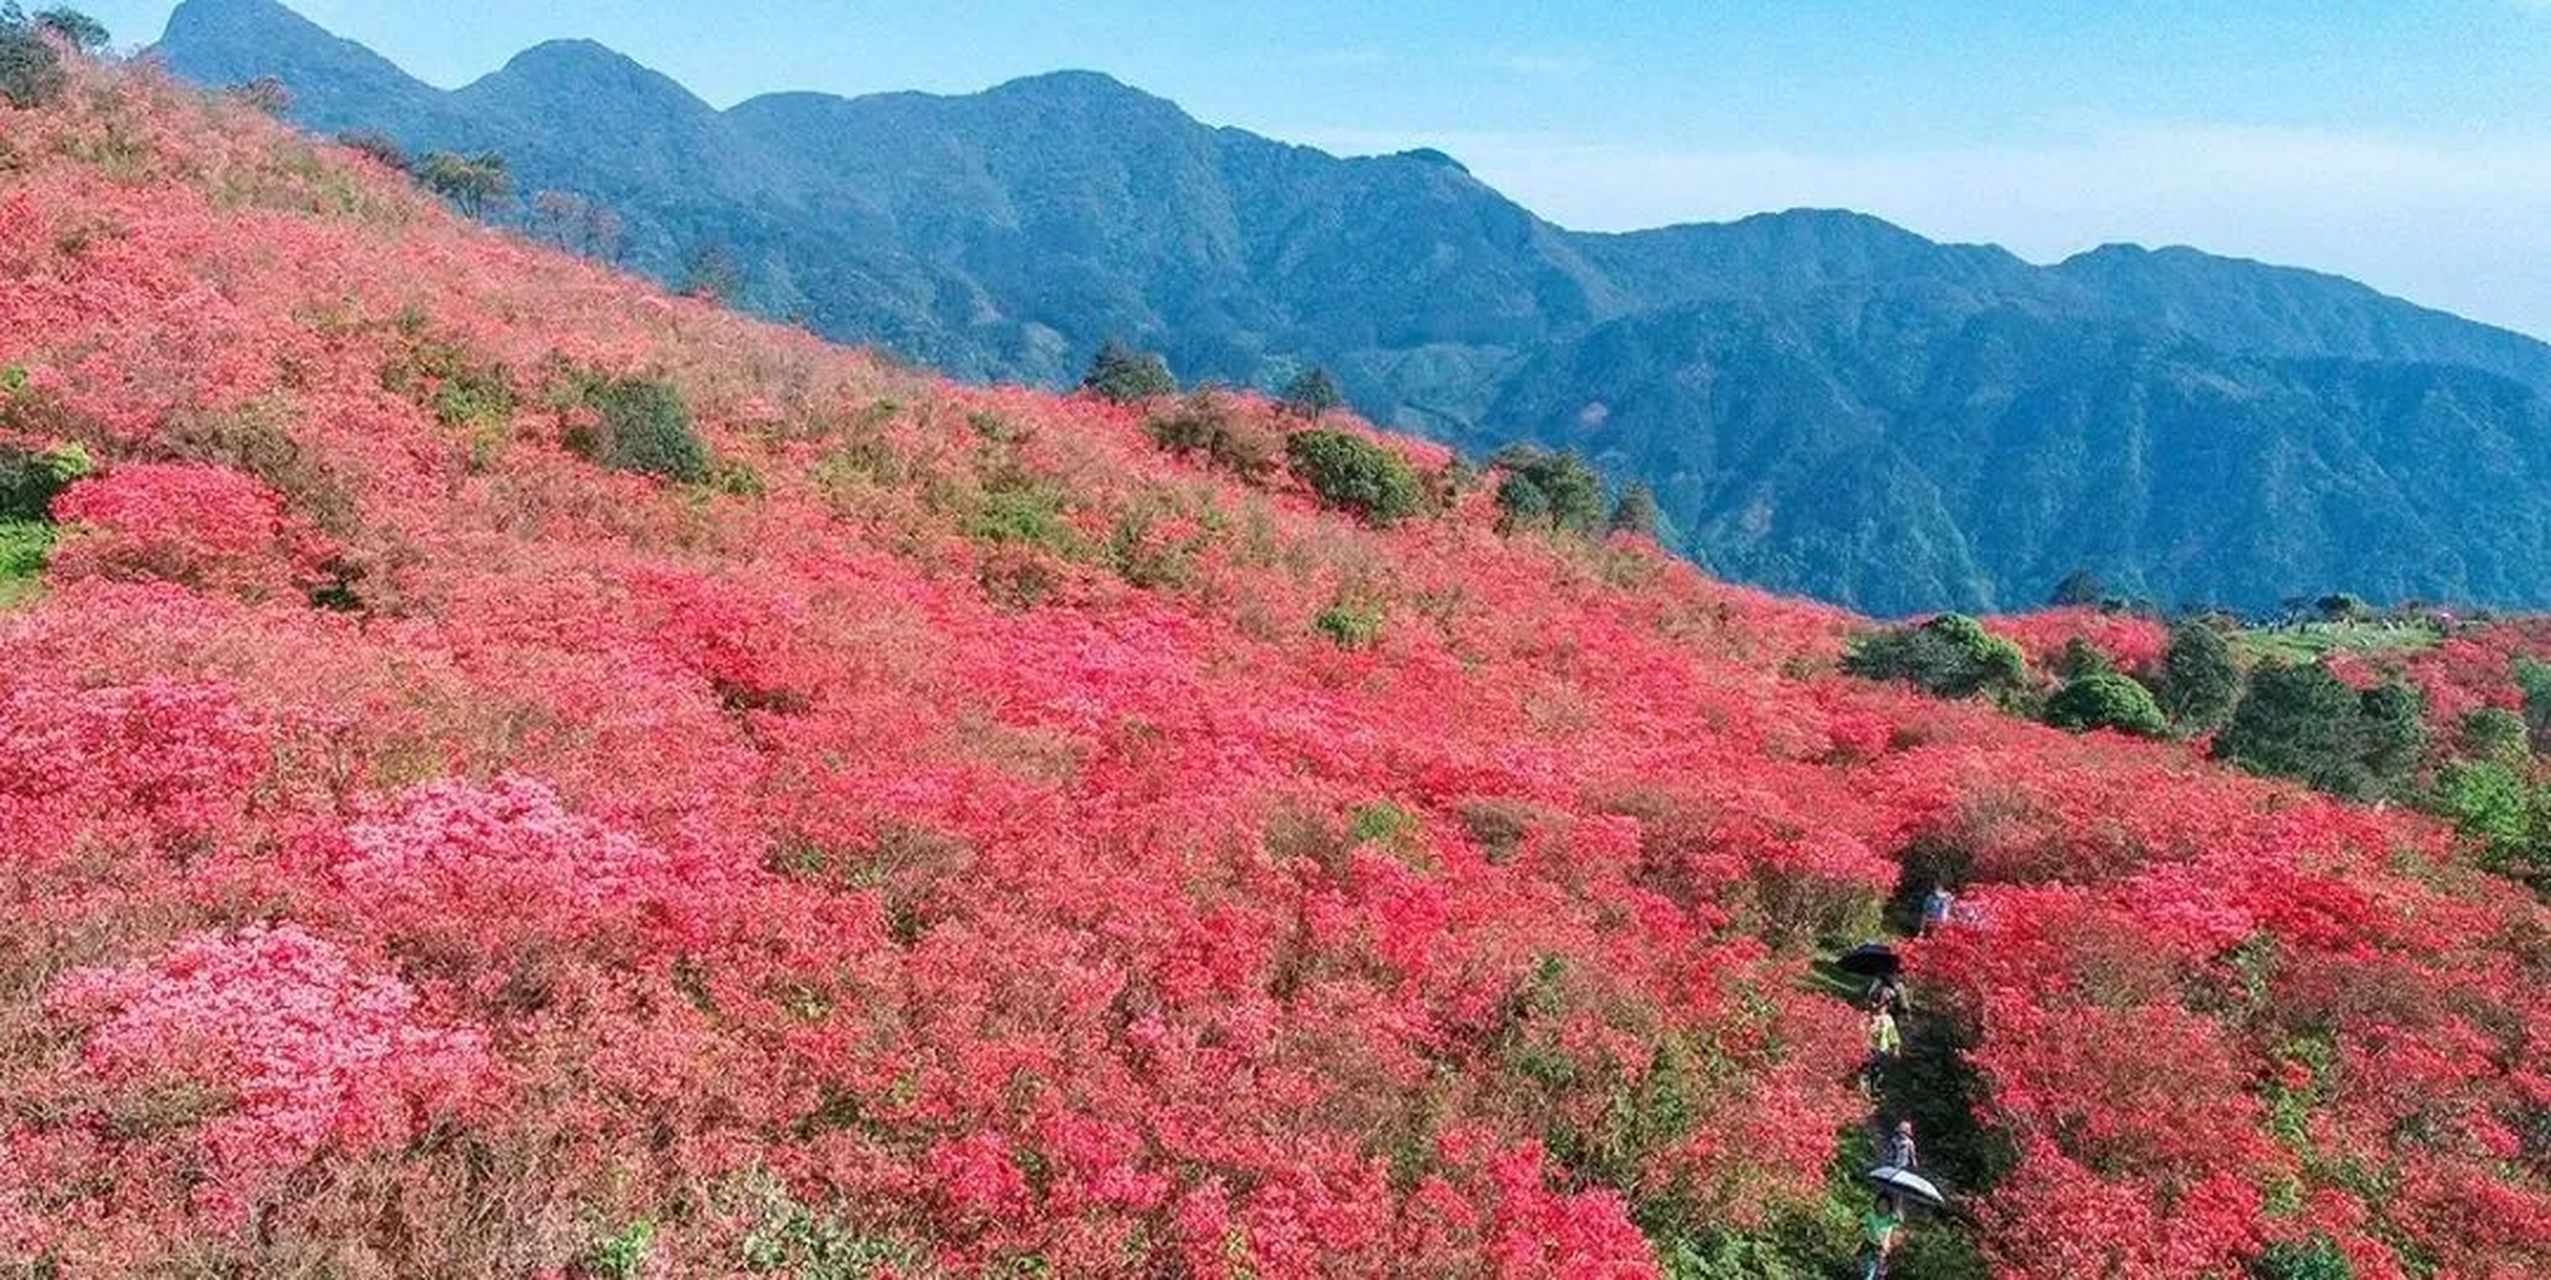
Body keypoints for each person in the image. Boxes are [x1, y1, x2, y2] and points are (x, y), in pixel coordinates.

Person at [1859, 1192, 1903, 1279]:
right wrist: (1864, 1227)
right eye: (1880, 1204)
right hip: (1869, 1243)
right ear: (1876, 1204)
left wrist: (1899, 1212)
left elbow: (1899, 1222)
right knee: (1866, 1267)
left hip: (1881, 1247)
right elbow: (1862, 1221)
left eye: (1885, 1205)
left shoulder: (1890, 1218)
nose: (1882, 1207)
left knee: (1876, 1270)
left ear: (1889, 1208)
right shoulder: (1871, 1215)